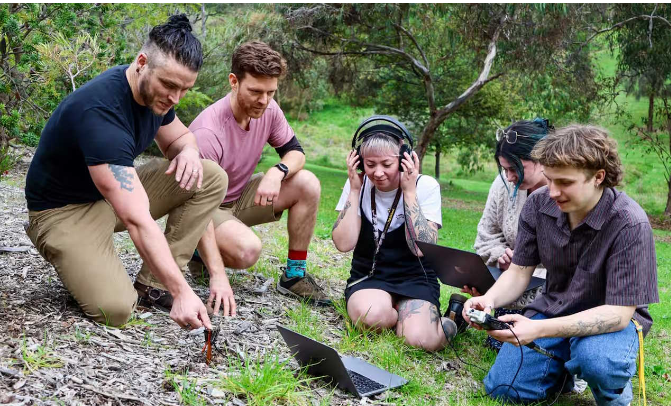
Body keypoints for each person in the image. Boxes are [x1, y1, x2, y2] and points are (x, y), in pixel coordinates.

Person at [24, 15, 234, 330]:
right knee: (116, 309)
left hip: (107, 196)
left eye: (185, 89)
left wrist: (189, 150)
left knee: (210, 175)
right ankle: (165, 287)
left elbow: (180, 137)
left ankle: (154, 286)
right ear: (141, 62)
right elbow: (138, 221)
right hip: (63, 213)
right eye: (170, 85)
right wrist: (183, 291)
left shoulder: (156, 98)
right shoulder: (101, 113)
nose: (175, 98)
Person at [463, 124, 659, 405]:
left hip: (613, 322)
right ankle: (563, 371)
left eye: (565, 182)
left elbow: (618, 314)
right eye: (549, 179)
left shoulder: (629, 222)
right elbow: (519, 272)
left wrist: (538, 330)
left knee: (598, 362)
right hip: (554, 307)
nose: (553, 191)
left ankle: (612, 385)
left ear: (598, 177)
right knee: (504, 389)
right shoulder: (538, 205)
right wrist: (489, 299)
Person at [188, 41, 328, 305]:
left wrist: (278, 172)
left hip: (238, 198)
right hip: (204, 208)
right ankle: (198, 254)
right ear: (233, 81)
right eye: (255, 91)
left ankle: (294, 276)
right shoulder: (208, 132)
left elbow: (296, 152)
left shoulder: (269, 109)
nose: (263, 101)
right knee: (247, 251)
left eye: (270, 92)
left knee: (307, 182)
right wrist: (218, 274)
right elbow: (195, 204)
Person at [332, 119, 458, 352]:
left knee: (419, 341)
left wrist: (409, 193)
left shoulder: (426, 186)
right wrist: (354, 190)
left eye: (386, 164)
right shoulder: (357, 185)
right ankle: (399, 316)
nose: (378, 173)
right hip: (370, 276)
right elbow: (343, 243)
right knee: (371, 318)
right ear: (359, 162)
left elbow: (421, 248)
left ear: (403, 159)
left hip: (415, 277)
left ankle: (450, 322)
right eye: (370, 164)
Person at [470, 118, 551, 351]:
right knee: (499, 343)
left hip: (552, 293)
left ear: (541, 159)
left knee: (523, 349)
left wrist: (525, 264)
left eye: (514, 168)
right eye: (504, 168)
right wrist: (500, 255)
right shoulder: (502, 185)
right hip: (510, 284)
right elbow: (486, 235)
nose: (508, 176)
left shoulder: (564, 193)